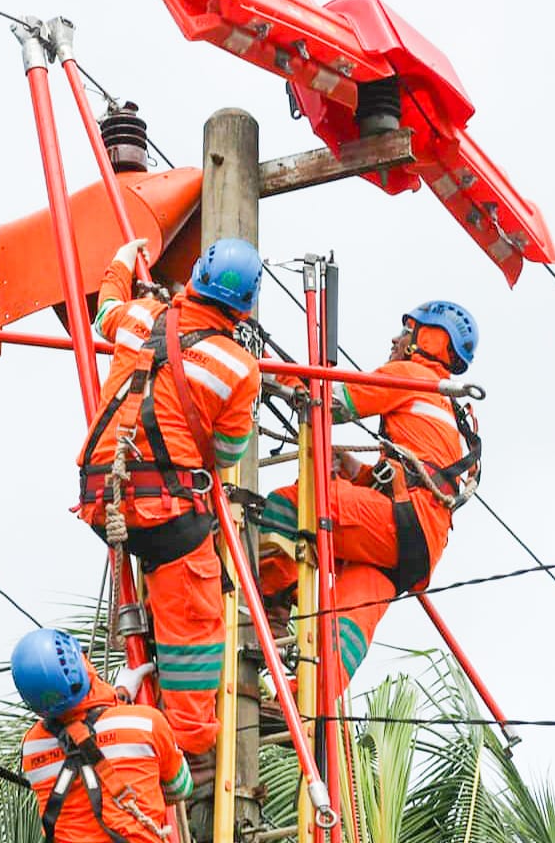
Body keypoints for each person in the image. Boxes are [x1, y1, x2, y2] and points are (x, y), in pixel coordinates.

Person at [77, 237, 262, 758]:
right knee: (196, 615)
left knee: (169, 565)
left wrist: (119, 259)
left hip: (101, 496)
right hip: (165, 513)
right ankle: (186, 744)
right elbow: (226, 452)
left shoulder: (139, 317)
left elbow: (105, 311)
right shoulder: (239, 368)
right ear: (245, 306)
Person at [258, 300, 481, 690]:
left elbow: (327, 399)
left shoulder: (410, 376)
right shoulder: (450, 407)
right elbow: (418, 476)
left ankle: (269, 611)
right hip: (419, 549)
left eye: (407, 331)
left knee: (289, 504)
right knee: (348, 615)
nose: (395, 339)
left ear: (428, 338)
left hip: (401, 521)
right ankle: (304, 699)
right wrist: (357, 471)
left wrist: (262, 366)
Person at [14, 628, 193, 842]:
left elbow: (82, 730)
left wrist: (120, 697)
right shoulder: (146, 723)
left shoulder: (31, 748)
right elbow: (180, 788)